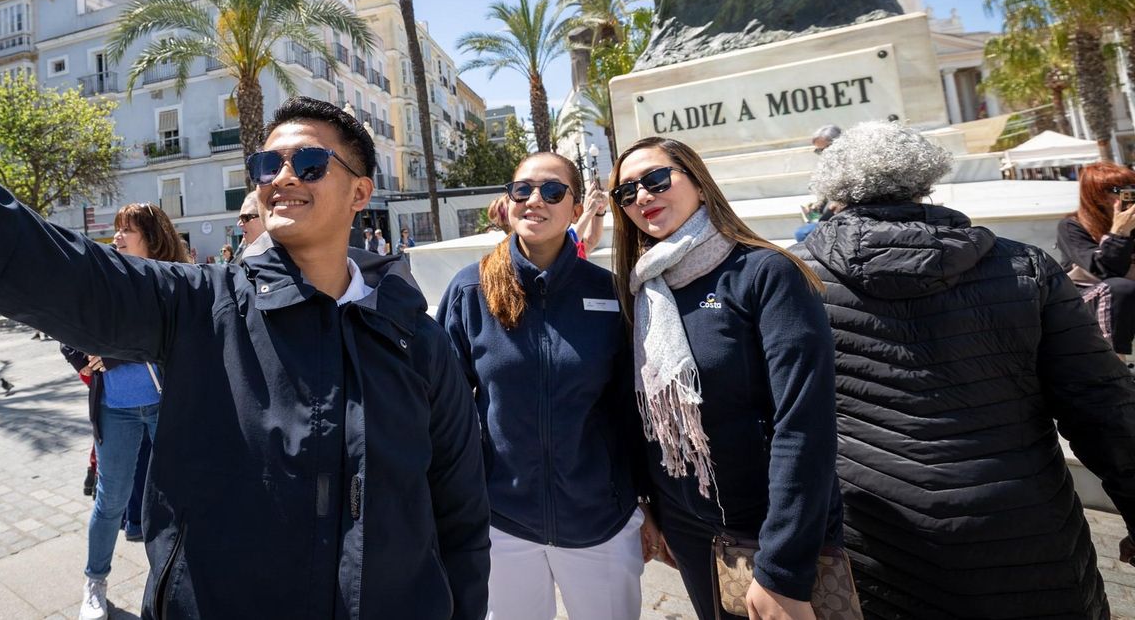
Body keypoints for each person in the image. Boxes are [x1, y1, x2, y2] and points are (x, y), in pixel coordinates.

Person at [0, 0, 488, 620]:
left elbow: (459, 517)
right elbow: (44, 267)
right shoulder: (198, 308)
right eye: (268, 164)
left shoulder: (417, 342)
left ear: (362, 192)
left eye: (309, 162)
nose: (283, 177)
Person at [798, 122, 1135, 619]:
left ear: (833, 186)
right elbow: (1101, 402)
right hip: (1023, 527)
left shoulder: (791, 277)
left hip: (875, 534)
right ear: (925, 182)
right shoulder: (1025, 265)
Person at [608, 136, 841, 620]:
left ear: (697, 181)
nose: (642, 197)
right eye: (626, 193)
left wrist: (783, 569)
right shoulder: (644, 290)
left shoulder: (765, 272)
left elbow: (803, 425)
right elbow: (639, 418)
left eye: (655, 179)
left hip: (765, 529)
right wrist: (654, 508)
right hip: (690, 530)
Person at [439, 152, 647, 620]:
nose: (536, 200)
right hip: (502, 525)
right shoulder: (469, 290)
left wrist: (646, 503)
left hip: (601, 524)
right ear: (508, 202)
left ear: (578, 210)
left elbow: (632, 409)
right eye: (523, 190)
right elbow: (443, 411)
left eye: (553, 191)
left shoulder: (611, 292)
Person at [62, 202, 184, 618]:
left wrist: (109, 353)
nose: (117, 237)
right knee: (109, 501)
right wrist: (83, 356)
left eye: (126, 230)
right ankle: (94, 582)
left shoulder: (173, 280)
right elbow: (68, 330)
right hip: (116, 409)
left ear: (151, 237)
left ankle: (180, 580)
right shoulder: (102, 280)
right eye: (117, 229)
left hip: (166, 406)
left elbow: (154, 336)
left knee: (178, 496)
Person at [1058, 161, 1135, 356]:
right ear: (1097, 196)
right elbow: (1103, 270)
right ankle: (1114, 364)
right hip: (1086, 300)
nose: (1128, 196)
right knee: (1119, 288)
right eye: (1120, 190)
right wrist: (1118, 233)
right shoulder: (1072, 226)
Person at [233, 190, 270, 262]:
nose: (239, 224)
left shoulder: (290, 254)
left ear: (265, 216)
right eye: (239, 219)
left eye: (244, 218)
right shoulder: (247, 253)